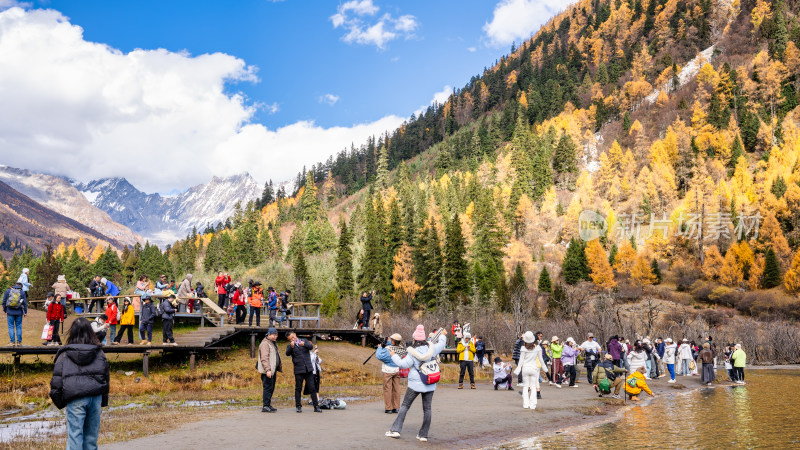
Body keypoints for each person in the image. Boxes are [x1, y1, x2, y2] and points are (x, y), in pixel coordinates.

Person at [49, 317, 109, 450]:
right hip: (95, 397)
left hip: (75, 398)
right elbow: (105, 377)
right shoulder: (99, 352)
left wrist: (61, 402)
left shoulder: (64, 354)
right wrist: (103, 400)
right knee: (91, 439)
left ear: (73, 332)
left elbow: (56, 381)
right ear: (90, 331)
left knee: (75, 437)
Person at [386, 325, 447, 442]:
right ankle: (423, 435)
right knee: (427, 409)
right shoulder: (432, 348)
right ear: (424, 339)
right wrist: (443, 335)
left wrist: (393, 356)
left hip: (415, 384)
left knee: (405, 406)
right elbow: (442, 344)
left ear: (414, 339)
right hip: (430, 382)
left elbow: (403, 364)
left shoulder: (412, 352)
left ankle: (395, 430)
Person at [285, 332, 321, 413]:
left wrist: (303, 344)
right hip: (298, 369)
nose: (293, 339)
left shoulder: (304, 340)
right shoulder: (290, 345)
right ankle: (298, 406)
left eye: (293, 337)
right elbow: (287, 353)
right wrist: (291, 346)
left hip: (308, 368)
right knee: (298, 388)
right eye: (291, 339)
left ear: (295, 335)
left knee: (312, 388)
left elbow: (311, 347)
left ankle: (316, 406)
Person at [513, 331, 548, 410]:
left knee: (525, 387)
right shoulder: (538, 348)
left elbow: (521, 361)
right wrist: (545, 369)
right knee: (533, 387)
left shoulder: (523, 349)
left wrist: (517, 370)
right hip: (534, 369)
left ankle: (526, 404)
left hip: (525, 369)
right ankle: (533, 405)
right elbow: (541, 360)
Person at [376, 333, 403, 413]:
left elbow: (379, 356)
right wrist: (387, 341)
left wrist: (379, 348)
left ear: (393, 340)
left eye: (391, 339)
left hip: (388, 371)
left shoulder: (388, 349)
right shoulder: (401, 348)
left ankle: (388, 408)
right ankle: (396, 407)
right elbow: (392, 345)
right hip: (396, 370)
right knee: (396, 389)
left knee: (387, 389)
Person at [257, 327, 281, 412]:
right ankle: (265, 406)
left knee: (271, 387)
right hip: (267, 371)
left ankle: (268, 404)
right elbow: (264, 358)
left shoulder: (272, 343)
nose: (275, 337)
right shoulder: (265, 344)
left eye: (276, 335)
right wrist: (268, 370)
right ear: (269, 334)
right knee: (267, 388)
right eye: (273, 335)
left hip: (273, 370)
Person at [3, 282, 27, 346]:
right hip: (19, 312)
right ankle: (19, 342)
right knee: (18, 327)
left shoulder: (8, 291)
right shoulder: (22, 292)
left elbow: (4, 301)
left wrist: (5, 310)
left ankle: (12, 342)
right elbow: (24, 303)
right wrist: (25, 312)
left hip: (10, 312)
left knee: (11, 327)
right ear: (21, 286)